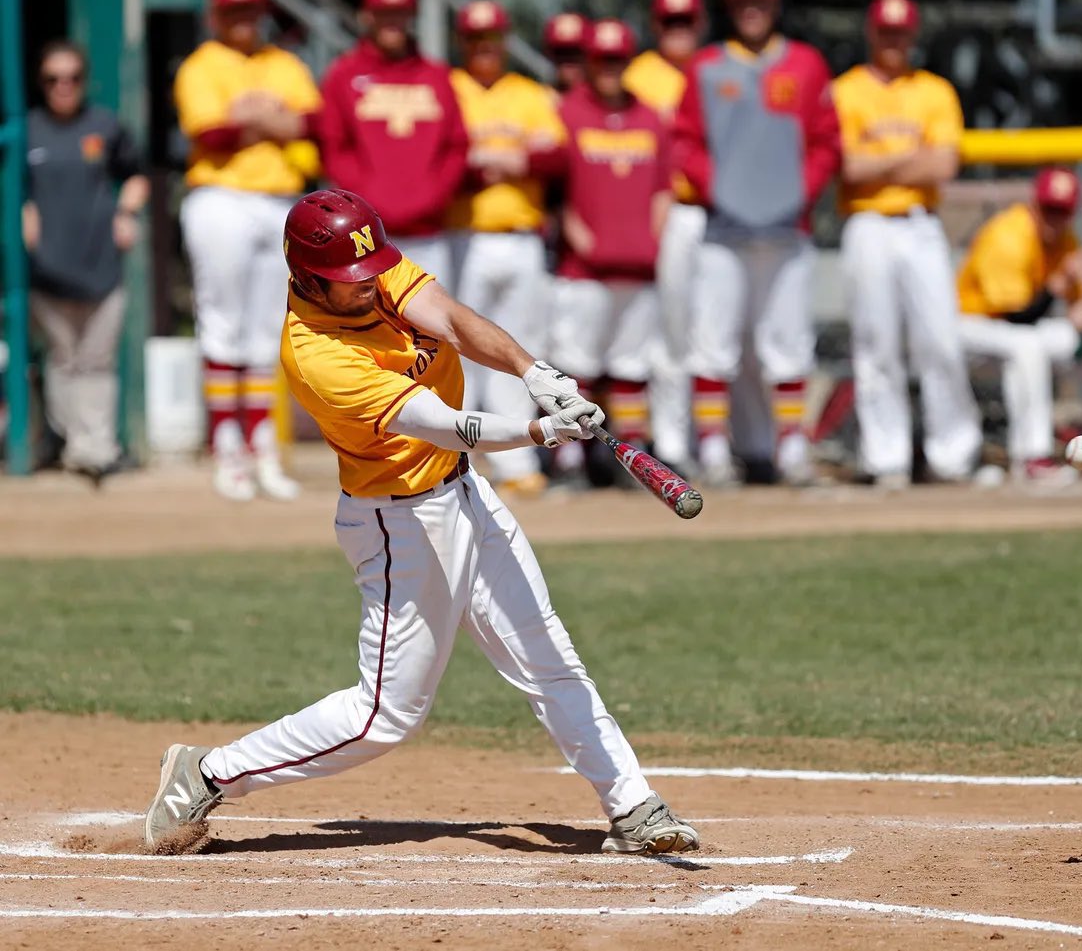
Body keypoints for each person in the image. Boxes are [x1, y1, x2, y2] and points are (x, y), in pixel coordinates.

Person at [142, 189, 699, 859]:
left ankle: (632, 804)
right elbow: (441, 422)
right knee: (384, 718)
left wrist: (534, 369)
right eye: (349, 282)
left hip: (465, 495)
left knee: (549, 656)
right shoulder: (315, 354)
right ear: (307, 277)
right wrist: (534, 429)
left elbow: (455, 322)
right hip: (399, 522)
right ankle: (206, 773)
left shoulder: (370, 272)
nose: (368, 286)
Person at [673, 0, 840, 487]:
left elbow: (825, 142)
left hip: (787, 228)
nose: (752, 10)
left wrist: (796, 193)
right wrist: (721, 192)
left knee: (788, 340)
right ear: (730, 7)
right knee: (713, 340)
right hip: (724, 229)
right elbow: (685, 143)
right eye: (743, 2)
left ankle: (791, 448)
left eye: (760, 2)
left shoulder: (807, 65)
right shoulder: (705, 67)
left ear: (775, 5)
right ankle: (715, 448)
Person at [174, 0, 321, 502]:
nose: (243, 21)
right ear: (217, 16)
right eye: (233, 12)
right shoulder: (202, 65)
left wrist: (251, 119)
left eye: (250, 12)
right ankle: (227, 445)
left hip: (279, 201)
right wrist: (269, 120)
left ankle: (261, 444)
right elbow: (210, 133)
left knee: (266, 327)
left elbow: (312, 124)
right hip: (219, 196)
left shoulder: (284, 63)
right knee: (222, 322)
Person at [832, 0, 982, 488]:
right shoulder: (846, 89)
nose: (893, 40)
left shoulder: (934, 90)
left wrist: (879, 160)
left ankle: (952, 455)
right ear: (871, 33)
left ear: (913, 36)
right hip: (868, 222)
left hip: (921, 223)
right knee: (876, 345)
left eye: (902, 32)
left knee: (939, 338)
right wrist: (907, 156)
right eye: (885, 31)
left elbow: (944, 165)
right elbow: (847, 168)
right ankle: (886, 456)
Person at [956, 168, 1082, 485]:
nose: (1054, 219)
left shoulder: (1065, 240)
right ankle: (1032, 456)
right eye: (1049, 209)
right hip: (972, 328)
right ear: (1035, 204)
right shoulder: (1008, 235)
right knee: (1027, 346)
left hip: (1020, 330)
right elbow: (1017, 317)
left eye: (1062, 212)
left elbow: (1074, 305)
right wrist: (1059, 287)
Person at [447, 0, 566, 497]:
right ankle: (461, 455)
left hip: (521, 235)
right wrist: (506, 158)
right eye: (475, 39)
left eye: (492, 37)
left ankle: (516, 460)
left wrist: (497, 157)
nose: (485, 47)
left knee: (520, 345)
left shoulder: (529, 92)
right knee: (461, 348)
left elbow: (554, 154)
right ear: (463, 42)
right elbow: (447, 156)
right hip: (465, 234)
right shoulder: (451, 88)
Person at [547, 19, 673, 481]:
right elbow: (556, 190)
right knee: (575, 365)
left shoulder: (649, 116)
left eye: (618, 60)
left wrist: (652, 240)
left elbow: (663, 189)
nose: (609, 70)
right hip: (584, 269)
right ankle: (570, 457)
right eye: (601, 61)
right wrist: (578, 236)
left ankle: (630, 459)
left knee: (631, 366)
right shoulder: (569, 111)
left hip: (637, 264)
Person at [22, 40, 149, 483]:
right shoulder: (27, 130)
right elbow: (15, 189)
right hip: (48, 269)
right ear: (41, 83)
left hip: (100, 266)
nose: (63, 86)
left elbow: (135, 173)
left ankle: (94, 447)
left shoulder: (104, 126)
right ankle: (73, 441)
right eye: (54, 79)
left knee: (96, 360)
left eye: (72, 77)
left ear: (83, 80)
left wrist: (127, 212)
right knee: (63, 359)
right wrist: (23, 213)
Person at [318, 0, 468, 286]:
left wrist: (432, 198)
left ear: (412, 15)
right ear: (366, 15)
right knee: (366, 332)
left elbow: (455, 146)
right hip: (365, 238)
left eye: (399, 12)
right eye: (383, 12)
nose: (392, 21)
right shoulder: (343, 74)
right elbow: (334, 146)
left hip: (430, 235)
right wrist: (368, 202)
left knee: (430, 333)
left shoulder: (437, 76)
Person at [622, 0, 708, 473]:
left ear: (700, 24)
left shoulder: (717, 68)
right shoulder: (639, 75)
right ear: (656, 26)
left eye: (686, 21)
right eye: (669, 22)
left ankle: (717, 439)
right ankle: (673, 442)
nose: (678, 30)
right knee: (669, 333)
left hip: (719, 214)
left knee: (715, 337)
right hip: (665, 210)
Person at [543, 13, 591, 99]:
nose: (567, 61)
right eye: (560, 52)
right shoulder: (538, 102)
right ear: (549, 55)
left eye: (575, 53)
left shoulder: (610, 102)